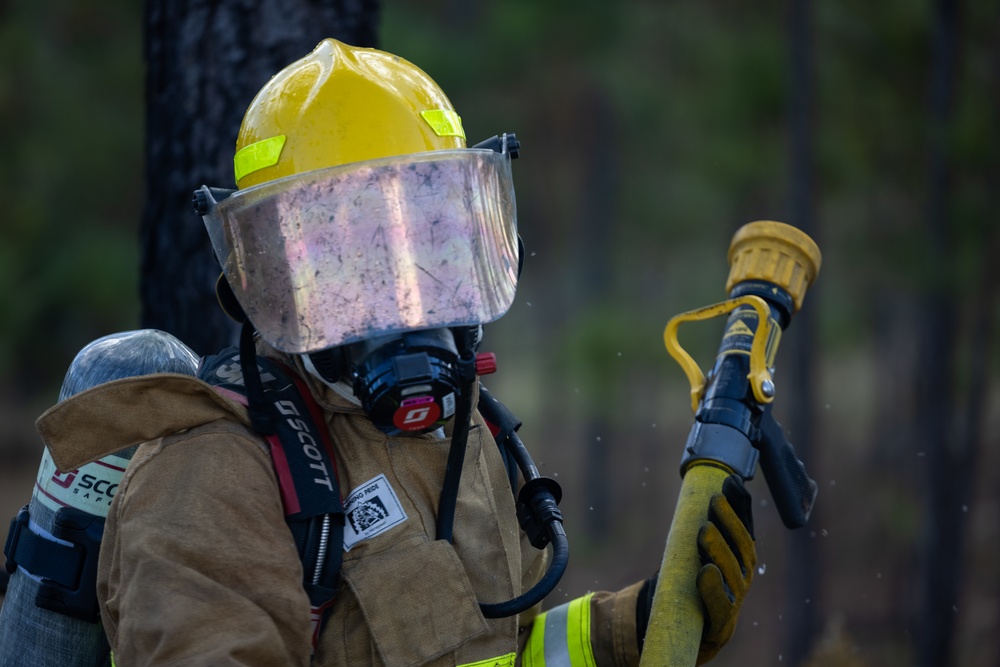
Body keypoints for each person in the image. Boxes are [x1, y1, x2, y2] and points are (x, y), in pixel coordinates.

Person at [35, 39, 755, 666]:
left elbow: (499, 649)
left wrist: (640, 626)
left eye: (422, 242)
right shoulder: (213, 474)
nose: (402, 299)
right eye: (349, 264)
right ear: (276, 280)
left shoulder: (465, 434)